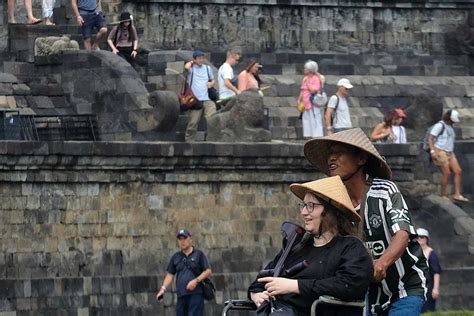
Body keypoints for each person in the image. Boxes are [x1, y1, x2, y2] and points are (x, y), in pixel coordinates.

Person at [303, 128, 428, 316]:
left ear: (361, 159)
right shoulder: (337, 204)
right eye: (330, 153)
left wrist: (382, 263)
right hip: (367, 293)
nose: (331, 158)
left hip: (406, 287)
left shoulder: (384, 190)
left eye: (339, 152)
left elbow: (402, 234)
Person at [248, 176, 373, 316]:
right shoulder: (297, 247)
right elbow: (260, 281)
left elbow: (349, 285)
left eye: (311, 206)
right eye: (303, 205)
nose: (304, 212)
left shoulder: (350, 248)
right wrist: (257, 295)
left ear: (331, 211)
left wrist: (295, 286)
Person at [156, 229, 212, 316]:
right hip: (181, 295)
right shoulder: (176, 257)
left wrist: (196, 281)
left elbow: (208, 271)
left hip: (195, 294)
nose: (182, 241)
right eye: (180, 239)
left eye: (184, 238)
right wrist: (163, 289)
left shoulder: (198, 254)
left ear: (190, 239)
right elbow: (170, 274)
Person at [428, 109, 469, 202]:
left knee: (458, 171)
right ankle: (443, 195)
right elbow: (430, 139)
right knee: (446, 173)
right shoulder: (439, 126)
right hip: (440, 151)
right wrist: (433, 152)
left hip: (450, 152)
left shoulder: (450, 126)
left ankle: (457, 194)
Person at [183, 50, 216, 142]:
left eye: (202, 58)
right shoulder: (191, 69)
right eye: (199, 58)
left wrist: (211, 84)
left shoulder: (207, 68)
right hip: (195, 99)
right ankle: (189, 140)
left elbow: (213, 80)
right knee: (193, 123)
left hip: (207, 98)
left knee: (212, 118)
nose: (201, 60)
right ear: (195, 59)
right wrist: (191, 62)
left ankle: (212, 138)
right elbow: (186, 67)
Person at [416, 228, 441, 312]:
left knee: (428, 309)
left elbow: (436, 272)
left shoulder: (431, 253)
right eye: (417, 237)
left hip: (429, 286)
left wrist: (436, 288)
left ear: (427, 239)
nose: (419, 238)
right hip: (417, 287)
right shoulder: (414, 252)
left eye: (422, 237)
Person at [297, 60, 324, 138]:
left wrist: (308, 82)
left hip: (313, 102)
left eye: (306, 68)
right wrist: (299, 99)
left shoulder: (316, 79)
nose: (304, 70)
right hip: (305, 102)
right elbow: (302, 90)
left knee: (314, 119)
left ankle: (316, 135)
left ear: (310, 70)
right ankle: (308, 135)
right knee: (306, 119)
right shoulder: (305, 78)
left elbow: (313, 90)